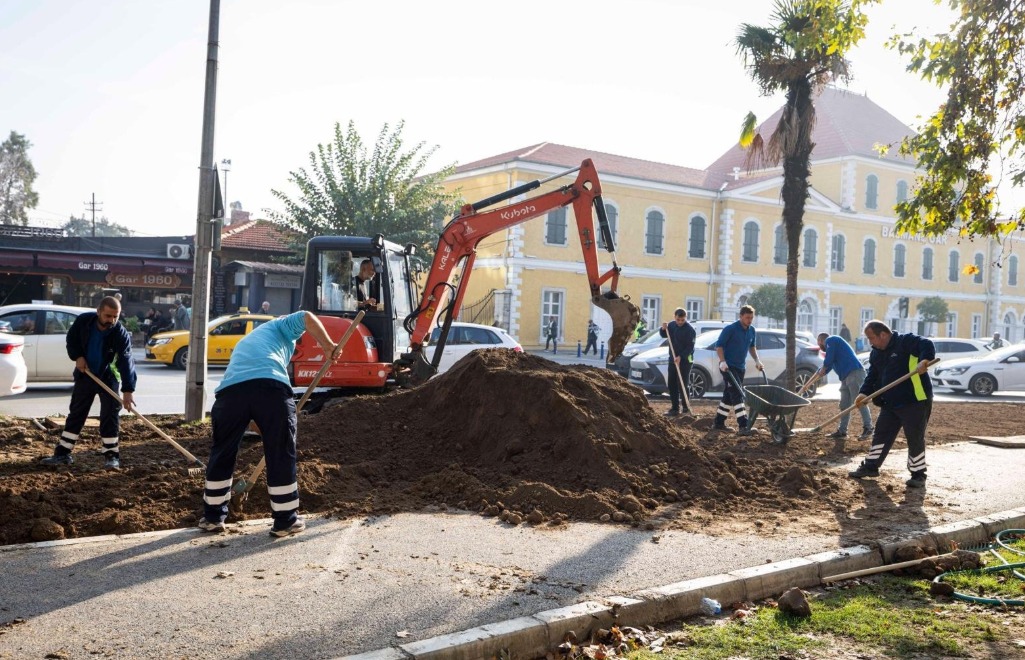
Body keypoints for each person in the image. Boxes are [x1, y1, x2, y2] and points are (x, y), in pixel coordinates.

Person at [199, 311, 340, 536]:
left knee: (222, 452)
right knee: (280, 453)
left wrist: (261, 421)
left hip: (229, 395)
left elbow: (248, 394)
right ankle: (285, 521)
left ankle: (212, 517)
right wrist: (328, 346)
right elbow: (306, 317)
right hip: (270, 388)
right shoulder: (280, 325)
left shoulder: (249, 342)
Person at [39, 297, 136, 470]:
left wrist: (128, 390)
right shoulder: (84, 321)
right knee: (77, 413)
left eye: (116, 316)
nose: (111, 321)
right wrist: (78, 356)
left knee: (109, 415)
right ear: (98, 311)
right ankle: (63, 454)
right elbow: (72, 339)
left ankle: (111, 456)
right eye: (108, 316)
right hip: (87, 374)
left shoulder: (119, 332)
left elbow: (126, 360)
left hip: (108, 376)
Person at [848, 320, 936, 488]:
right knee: (881, 433)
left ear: (883, 334)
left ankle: (918, 474)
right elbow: (872, 375)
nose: (870, 342)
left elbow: (927, 344)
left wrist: (924, 360)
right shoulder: (876, 353)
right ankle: (871, 467)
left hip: (915, 400)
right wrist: (863, 393)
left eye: (871, 338)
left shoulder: (905, 342)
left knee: (914, 437)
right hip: (890, 402)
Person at [713, 304, 763, 434]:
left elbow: (752, 347)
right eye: (747, 317)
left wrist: (757, 360)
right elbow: (719, 346)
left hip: (741, 367)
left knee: (728, 396)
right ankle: (743, 426)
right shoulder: (730, 329)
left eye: (751, 317)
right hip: (728, 367)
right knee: (737, 394)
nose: (749, 320)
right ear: (740, 316)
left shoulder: (752, 330)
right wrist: (722, 361)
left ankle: (718, 423)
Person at [814, 332, 873, 440]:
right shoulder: (832, 349)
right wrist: (819, 373)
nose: (819, 346)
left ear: (821, 340)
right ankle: (842, 431)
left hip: (854, 372)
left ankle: (868, 428)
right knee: (844, 404)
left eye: (819, 343)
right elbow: (828, 365)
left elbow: (827, 362)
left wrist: (823, 369)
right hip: (845, 377)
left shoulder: (831, 340)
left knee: (859, 401)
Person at [659, 308, 696, 417]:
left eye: (682, 320)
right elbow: (664, 335)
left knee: (683, 384)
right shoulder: (671, 326)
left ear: (686, 318)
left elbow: (690, 347)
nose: (680, 322)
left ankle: (686, 408)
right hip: (672, 359)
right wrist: (663, 329)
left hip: (685, 361)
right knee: (672, 384)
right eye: (678, 319)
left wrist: (681, 357)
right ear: (675, 317)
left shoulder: (690, 330)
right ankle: (675, 408)